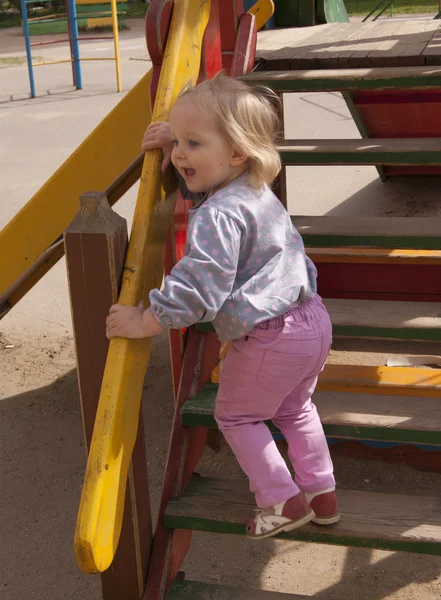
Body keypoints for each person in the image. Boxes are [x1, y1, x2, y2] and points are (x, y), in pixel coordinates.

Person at [106, 74, 339, 540]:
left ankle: (281, 500)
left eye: (192, 144)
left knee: (236, 416)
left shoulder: (217, 215)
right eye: (179, 142)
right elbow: (209, 173)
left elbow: (198, 289)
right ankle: (321, 494)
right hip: (313, 320)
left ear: (235, 152)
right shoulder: (252, 185)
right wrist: (180, 138)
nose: (178, 156)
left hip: (272, 334)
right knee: (296, 409)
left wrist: (146, 319)